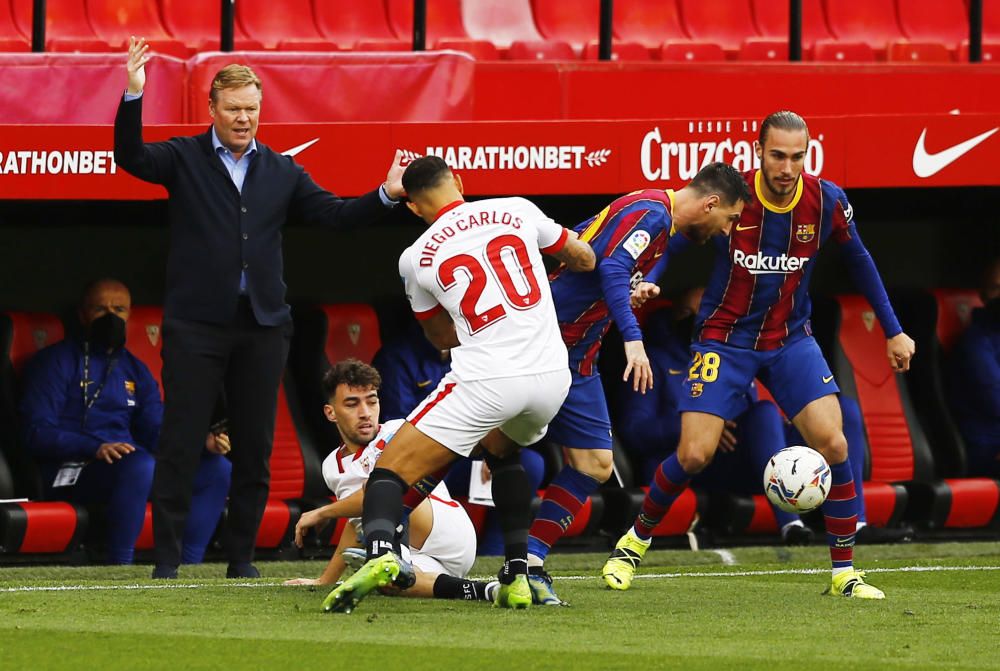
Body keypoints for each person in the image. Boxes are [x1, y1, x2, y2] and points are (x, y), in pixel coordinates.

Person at [114, 38, 405, 579]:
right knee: (181, 441)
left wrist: (385, 195)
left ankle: (242, 559)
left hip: (263, 325)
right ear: (212, 110)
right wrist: (134, 96)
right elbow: (130, 158)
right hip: (196, 324)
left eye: (252, 109)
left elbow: (335, 216)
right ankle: (168, 562)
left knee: (255, 444)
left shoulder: (281, 171)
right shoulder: (183, 157)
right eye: (233, 109)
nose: (244, 118)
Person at [603, 111, 916, 599]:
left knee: (833, 444)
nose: (787, 167)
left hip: (790, 338)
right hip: (723, 340)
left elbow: (860, 260)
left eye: (797, 156)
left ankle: (844, 573)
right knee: (693, 453)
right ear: (758, 151)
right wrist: (652, 275)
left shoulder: (826, 200)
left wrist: (893, 331)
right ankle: (633, 542)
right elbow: (681, 236)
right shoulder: (735, 199)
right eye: (777, 155)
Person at [322, 155, 595, 613]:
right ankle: (517, 574)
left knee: (389, 468)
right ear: (460, 182)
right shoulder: (518, 209)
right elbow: (582, 256)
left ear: (412, 207)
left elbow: (442, 338)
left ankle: (382, 555)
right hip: (552, 376)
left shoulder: (416, 256)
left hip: (489, 376)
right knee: (504, 451)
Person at [500, 162, 750, 606]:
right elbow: (612, 265)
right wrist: (634, 339)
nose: (728, 231)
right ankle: (386, 526)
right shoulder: (653, 210)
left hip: (579, 355)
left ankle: (532, 562)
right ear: (711, 203)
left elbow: (597, 260)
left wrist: (633, 291)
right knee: (472, 443)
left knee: (595, 464)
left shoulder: (655, 221)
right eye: (730, 218)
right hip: (542, 343)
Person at [621, 288, 879, 545]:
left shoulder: (732, 353)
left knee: (844, 410)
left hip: (752, 455)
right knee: (764, 413)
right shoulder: (652, 360)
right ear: (682, 318)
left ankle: (855, 523)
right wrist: (702, 427)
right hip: (703, 465)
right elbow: (635, 432)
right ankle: (791, 525)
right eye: (706, 315)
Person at [19, 279, 231, 565]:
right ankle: (120, 565)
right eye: (100, 309)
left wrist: (201, 443)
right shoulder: (55, 361)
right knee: (142, 465)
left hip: (130, 469)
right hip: (71, 469)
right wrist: (94, 447)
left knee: (217, 468)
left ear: (129, 315)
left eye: (119, 309)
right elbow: (36, 432)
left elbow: (157, 430)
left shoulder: (134, 368)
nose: (111, 317)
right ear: (83, 315)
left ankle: (188, 564)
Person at [285, 359, 499, 603]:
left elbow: (373, 500)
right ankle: (485, 590)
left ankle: (390, 556)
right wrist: (326, 580)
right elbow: (356, 523)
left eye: (372, 401)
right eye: (352, 404)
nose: (365, 412)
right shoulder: (331, 466)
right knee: (390, 583)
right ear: (330, 412)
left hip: (447, 531)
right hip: (421, 552)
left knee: (382, 491)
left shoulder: (399, 431)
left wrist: (323, 512)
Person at [372, 317, 546, 555]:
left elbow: (491, 407)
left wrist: (489, 449)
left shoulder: (470, 354)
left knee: (530, 463)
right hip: (421, 456)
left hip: (466, 453)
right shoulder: (397, 356)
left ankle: (495, 550)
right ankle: (390, 542)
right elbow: (397, 424)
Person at [947, 257, 1000, 478]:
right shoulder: (976, 343)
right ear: (982, 295)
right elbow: (996, 402)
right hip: (987, 447)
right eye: (996, 288)